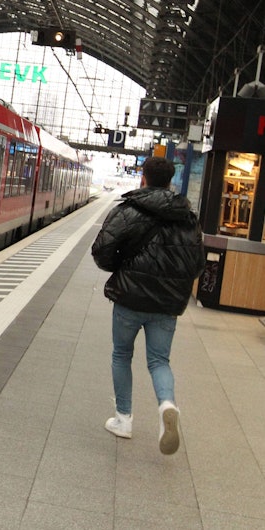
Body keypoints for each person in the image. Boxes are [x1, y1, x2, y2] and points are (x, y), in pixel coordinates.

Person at [91, 156, 205, 455]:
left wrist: (120, 268)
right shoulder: (188, 217)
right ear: (171, 181)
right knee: (159, 361)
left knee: (121, 355)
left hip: (129, 298)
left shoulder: (128, 209)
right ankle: (167, 404)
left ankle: (123, 420)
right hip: (166, 304)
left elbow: (102, 250)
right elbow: (197, 263)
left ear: (143, 177)